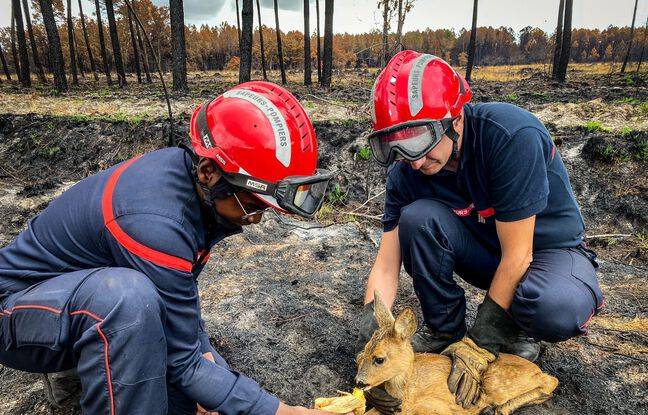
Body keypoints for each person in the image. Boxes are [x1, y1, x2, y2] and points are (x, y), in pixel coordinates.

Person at [0, 81, 336, 415]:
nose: (256, 219)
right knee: (126, 299)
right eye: (252, 205)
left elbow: (181, 317)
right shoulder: (156, 223)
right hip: (17, 310)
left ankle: (94, 363)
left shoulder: (186, 180)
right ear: (209, 172)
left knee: (188, 396)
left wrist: (211, 375)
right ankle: (84, 364)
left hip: (71, 299)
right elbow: (184, 363)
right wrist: (285, 412)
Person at [355, 51, 604, 412]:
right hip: (487, 252)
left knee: (555, 306)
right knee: (417, 218)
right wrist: (371, 329)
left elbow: (519, 255)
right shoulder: (407, 171)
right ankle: (445, 330)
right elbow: (386, 264)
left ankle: (511, 331)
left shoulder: (510, 136)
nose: (415, 162)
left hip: (546, 254)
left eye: (420, 144)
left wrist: (481, 342)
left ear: (455, 120)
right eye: (399, 148)